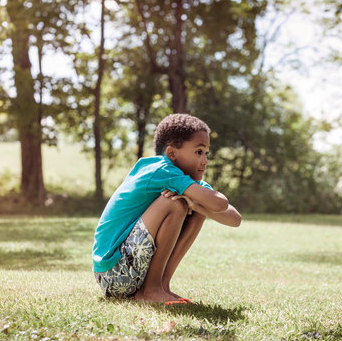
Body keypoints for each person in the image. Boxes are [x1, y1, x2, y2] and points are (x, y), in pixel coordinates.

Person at [92, 113, 241, 304]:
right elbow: (219, 203)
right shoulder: (160, 170)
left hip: (128, 272)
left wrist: (196, 205)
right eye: (199, 152)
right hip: (112, 273)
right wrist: (194, 202)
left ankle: (161, 286)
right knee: (175, 203)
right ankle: (151, 290)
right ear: (172, 153)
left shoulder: (185, 180)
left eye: (206, 153)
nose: (205, 161)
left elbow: (234, 218)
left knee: (196, 208)